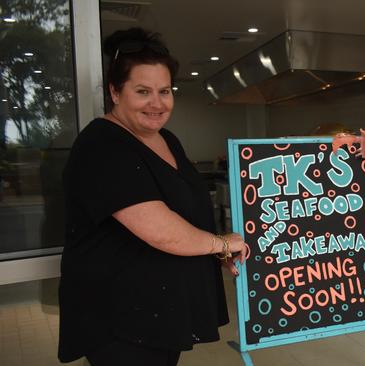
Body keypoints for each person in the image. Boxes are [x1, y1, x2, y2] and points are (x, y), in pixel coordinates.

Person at [58, 27, 248, 365]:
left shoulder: (167, 139)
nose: (157, 103)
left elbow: (185, 211)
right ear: (115, 92)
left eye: (165, 91)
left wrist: (217, 252)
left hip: (159, 311)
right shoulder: (102, 145)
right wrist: (220, 243)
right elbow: (161, 231)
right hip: (120, 318)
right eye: (143, 91)